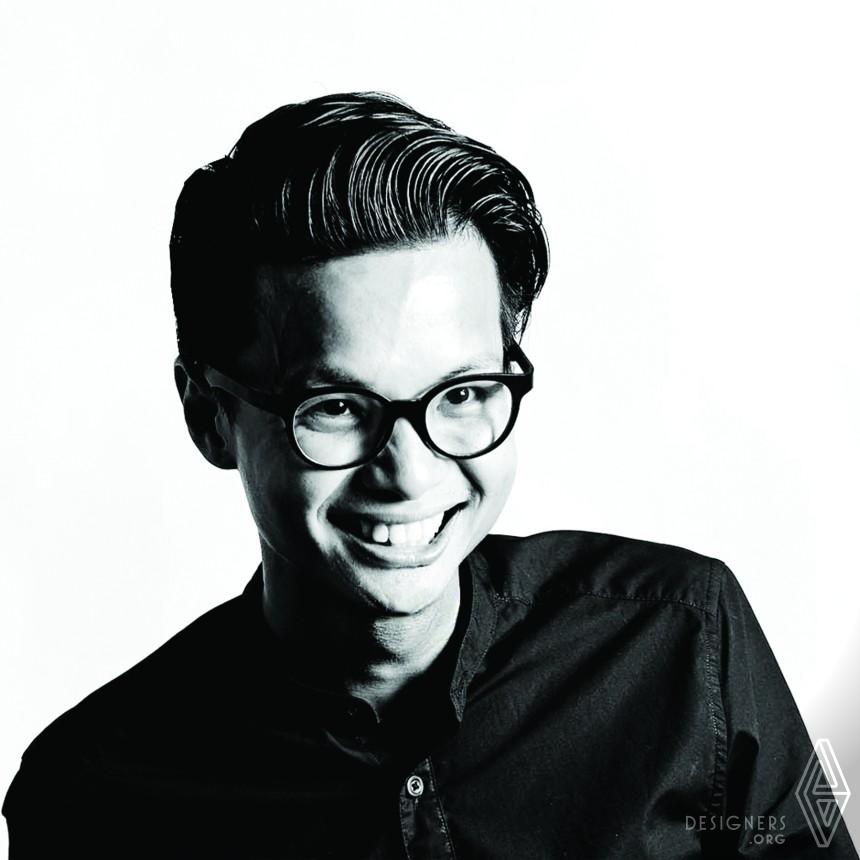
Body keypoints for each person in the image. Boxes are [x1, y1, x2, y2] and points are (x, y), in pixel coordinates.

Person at [3, 92, 856, 860]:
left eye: (462, 393)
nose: (410, 473)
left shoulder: (686, 637)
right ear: (208, 416)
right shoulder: (89, 798)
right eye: (337, 407)